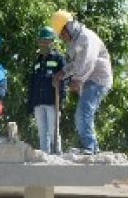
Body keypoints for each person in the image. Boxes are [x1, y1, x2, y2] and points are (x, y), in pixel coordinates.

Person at [49, 10, 111, 155]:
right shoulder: (76, 41)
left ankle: (90, 147)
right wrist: (63, 72)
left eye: (62, 33)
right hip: (89, 80)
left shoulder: (86, 38)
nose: (62, 37)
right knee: (82, 113)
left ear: (69, 27)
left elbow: (88, 62)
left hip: (97, 80)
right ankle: (90, 146)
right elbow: (76, 63)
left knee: (84, 112)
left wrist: (77, 79)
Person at [26, 26, 67, 153]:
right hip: (38, 102)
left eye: (46, 41)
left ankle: (57, 157)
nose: (43, 43)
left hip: (52, 101)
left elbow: (64, 79)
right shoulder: (37, 62)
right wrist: (30, 104)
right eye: (41, 41)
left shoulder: (58, 59)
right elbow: (32, 83)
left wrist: (60, 100)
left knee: (54, 131)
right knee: (42, 133)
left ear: (51, 42)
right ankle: (45, 157)